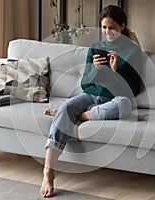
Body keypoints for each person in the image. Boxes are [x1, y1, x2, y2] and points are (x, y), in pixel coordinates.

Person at [40, 5, 142, 197]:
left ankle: (80, 115)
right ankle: (48, 170)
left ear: (122, 26)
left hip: (115, 99)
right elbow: (85, 85)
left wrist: (116, 71)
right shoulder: (96, 48)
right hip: (92, 96)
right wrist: (95, 69)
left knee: (125, 105)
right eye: (104, 27)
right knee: (70, 104)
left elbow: (134, 89)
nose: (107, 32)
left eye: (112, 27)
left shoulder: (133, 51)